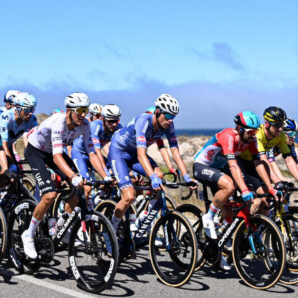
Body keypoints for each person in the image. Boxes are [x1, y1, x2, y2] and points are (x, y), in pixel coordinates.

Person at [19, 93, 107, 258]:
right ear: (69, 111)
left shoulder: (85, 124)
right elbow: (57, 157)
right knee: (49, 195)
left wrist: (106, 176)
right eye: (79, 110)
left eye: (85, 110)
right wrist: (74, 177)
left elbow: (93, 154)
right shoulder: (59, 121)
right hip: (37, 152)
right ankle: (28, 234)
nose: (83, 114)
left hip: (53, 152)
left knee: (84, 188)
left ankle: (62, 225)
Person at [105, 95, 194, 236]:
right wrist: (151, 176)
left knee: (160, 176)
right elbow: (141, 155)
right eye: (168, 115)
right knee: (129, 196)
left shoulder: (168, 125)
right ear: (158, 111)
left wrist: (186, 176)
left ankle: (143, 218)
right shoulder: (143, 121)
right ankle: (110, 230)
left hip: (133, 153)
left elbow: (175, 151)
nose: (171, 120)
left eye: (174, 117)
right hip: (119, 152)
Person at [192, 111, 268, 238]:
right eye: (250, 132)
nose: (253, 135)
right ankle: (209, 216)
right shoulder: (228, 136)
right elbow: (233, 165)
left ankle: (222, 236)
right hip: (202, 166)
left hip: (219, 169)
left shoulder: (250, 141)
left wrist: (269, 188)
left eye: (255, 132)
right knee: (230, 186)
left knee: (229, 210)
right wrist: (243, 190)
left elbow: (258, 163)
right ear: (240, 129)